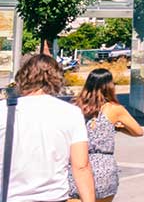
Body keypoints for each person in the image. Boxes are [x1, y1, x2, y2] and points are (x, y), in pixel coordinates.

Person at [0, 54, 96, 202]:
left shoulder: (3, 110)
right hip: (54, 197)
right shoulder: (70, 113)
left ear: (22, 77)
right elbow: (81, 166)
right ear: (57, 79)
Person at [68, 68, 144, 202]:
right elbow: (138, 131)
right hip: (104, 169)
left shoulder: (75, 107)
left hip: (78, 164)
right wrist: (118, 128)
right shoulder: (115, 109)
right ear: (109, 86)